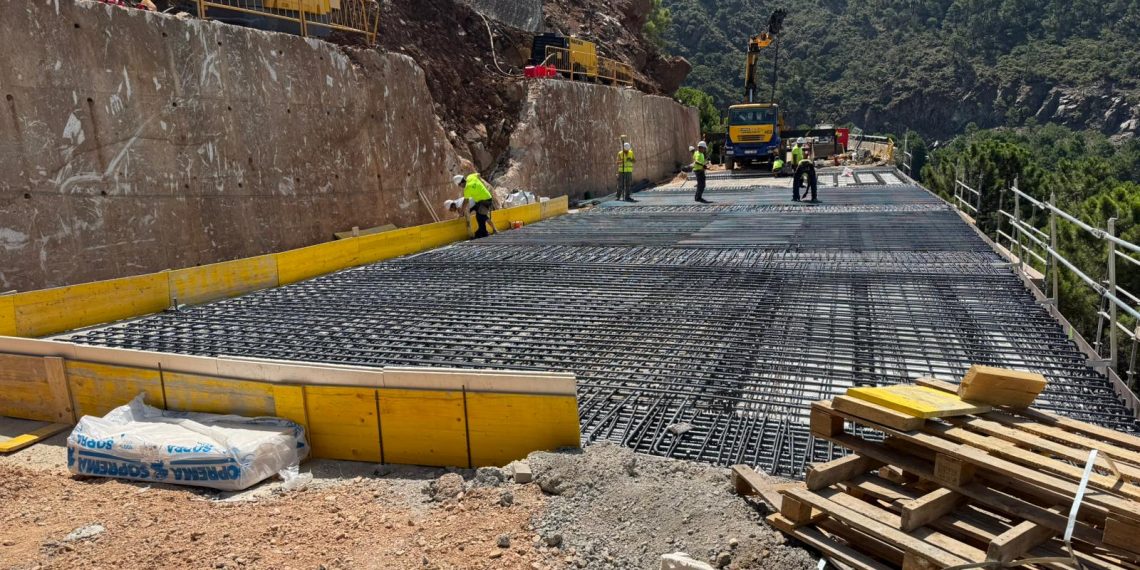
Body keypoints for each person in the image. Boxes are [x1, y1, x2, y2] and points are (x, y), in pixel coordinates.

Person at [453, 173, 494, 238]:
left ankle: (483, 233)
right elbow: (478, 174)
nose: (460, 187)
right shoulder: (470, 177)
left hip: (485, 201)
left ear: (460, 183)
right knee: (480, 216)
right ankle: (483, 232)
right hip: (486, 198)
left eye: (459, 185)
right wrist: (482, 185)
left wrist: (461, 212)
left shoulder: (467, 189)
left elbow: (465, 202)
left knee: (480, 216)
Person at [791, 138, 818, 202]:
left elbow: (809, 182)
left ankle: (796, 197)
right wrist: (795, 169)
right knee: (812, 182)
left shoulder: (809, 166)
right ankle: (814, 197)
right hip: (799, 165)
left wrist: (806, 192)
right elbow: (810, 183)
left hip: (800, 165)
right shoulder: (795, 149)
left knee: (796, 181)